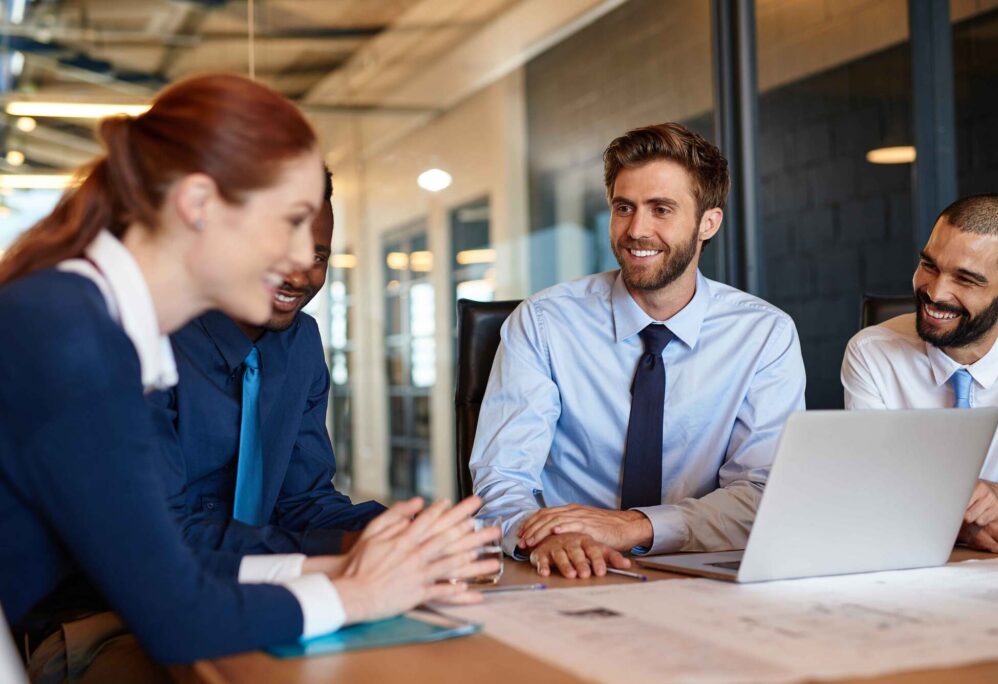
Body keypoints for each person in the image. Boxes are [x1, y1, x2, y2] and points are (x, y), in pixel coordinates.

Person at [0, 73, 496, 681]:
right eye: (289, 222)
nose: (301, 260)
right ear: (199, 204)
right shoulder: (73, 336)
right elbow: (174, 610)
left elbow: (170, 574)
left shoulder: (84, 314)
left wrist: (357, 564)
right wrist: (358, 593)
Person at [470, 122, 806, 579]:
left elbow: (763, 494)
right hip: (568, 573)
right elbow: (501, 480)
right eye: (623, 208)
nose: (636, 230)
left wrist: (634, 526)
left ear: (709, 222)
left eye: (661, 209)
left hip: (701, 575)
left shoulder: (764, 335)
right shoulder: (545, 323)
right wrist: (546, 535)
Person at [147, 168, 385, 579]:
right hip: (127, 598)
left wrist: (393, 531)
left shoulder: (302, 343)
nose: (298, 275)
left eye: (317, 256)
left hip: (255, 585)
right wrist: (344, 547)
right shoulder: (155, 341)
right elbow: (163, 537)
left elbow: (303, 500)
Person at [842, 193, 998, 555]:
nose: (936, 292)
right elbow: (873, 490)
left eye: (966, 280)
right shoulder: (872, 353)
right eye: (929, 266)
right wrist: (965, 524)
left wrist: (997, 496)